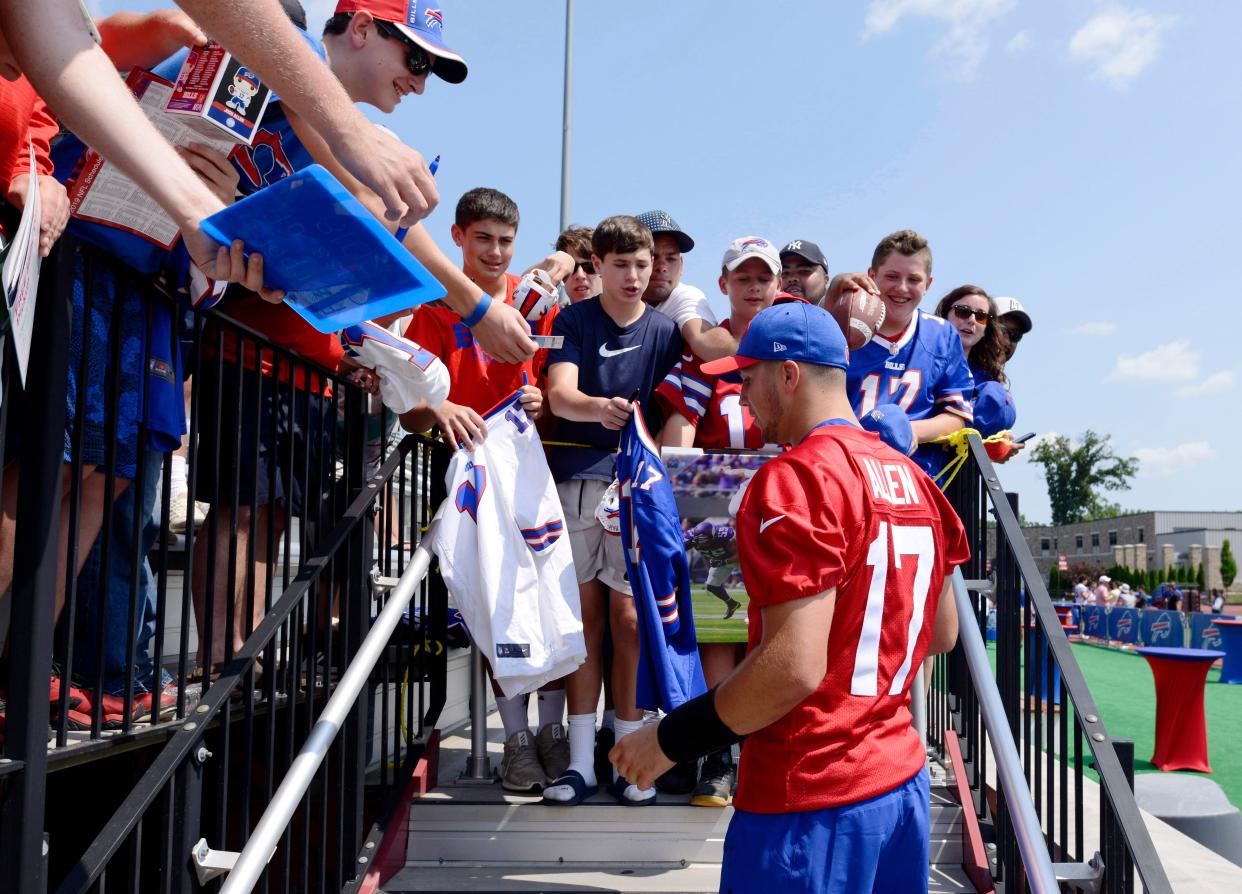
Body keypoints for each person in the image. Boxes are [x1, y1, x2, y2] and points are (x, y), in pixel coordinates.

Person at [610, 301, 968, 893]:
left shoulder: (797, 476)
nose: (743, 397)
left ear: (789, 375)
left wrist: (669, 741)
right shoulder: (916, 477)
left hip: (811, 793)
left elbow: (793, 668)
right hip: (898, 780)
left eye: (748, 379)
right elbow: (942, 634)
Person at [399, 187, 570, 791]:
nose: (495, 252)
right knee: (499, 607)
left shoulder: (535, 300)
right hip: (470, 480)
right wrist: (439, 405)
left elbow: (558, 391)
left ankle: (553, 732)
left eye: (504, 241)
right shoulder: (436, 307)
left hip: (531, 476)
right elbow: (408, 411)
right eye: (483, 240)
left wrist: (540, 401)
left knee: (551, 598)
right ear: (457, 239)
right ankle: (516, 738)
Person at [542, 215, 683, 807]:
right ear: (595, 266)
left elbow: (682, 404)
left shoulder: (668, 331)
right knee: (585, 623)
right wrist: (597, 408)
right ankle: (580, 765)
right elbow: (560, 395)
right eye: (620, 264)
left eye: (643, 264)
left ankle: (630, 756)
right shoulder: (572, 318)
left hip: (638, 492)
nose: (632, 275)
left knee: (630, 623)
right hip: (576, 483)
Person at [656, 235, 783, 807]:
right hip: (714, 509)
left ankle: (766, 746)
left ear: (778, 285)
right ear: (725, 283)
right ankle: (716, 750)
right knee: (718, 629)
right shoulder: (704, 359)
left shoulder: (789, 352)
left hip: (782, 506)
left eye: (764, 278)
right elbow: (677, 437)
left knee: (774, 627)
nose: (754, 288)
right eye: (744, 278)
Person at [842, 230, 974, 477]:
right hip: (849, 471)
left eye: (913, 279)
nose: (902, 288)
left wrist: (909, 432)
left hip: (916, 477)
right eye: (891, 276)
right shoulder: (843, 327)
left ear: (928, 284)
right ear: (871, 276)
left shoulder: (942, 335)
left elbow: (956, 417)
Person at [934, 285, 1025, 462]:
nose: (1006, 340)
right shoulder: (927, 360)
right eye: (1002, 329)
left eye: (1015, 335)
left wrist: (993, 448)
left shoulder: (990, 382)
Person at [635, 210, 737, 362]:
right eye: (653, 257)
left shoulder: (684, 297)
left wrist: (753, 361)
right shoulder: (603, 303)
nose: (662, 266)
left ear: (681, 265)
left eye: (671, 258)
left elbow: (703, 337)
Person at [555, 225, 601, 305]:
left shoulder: (625, 315)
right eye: (572, 267)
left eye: (589, 266)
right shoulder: (553, 317)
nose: (580, 275)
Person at [779, 239, 830, 305]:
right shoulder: (764, 314)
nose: (792, 278)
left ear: (826, 280)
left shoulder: (841, 313)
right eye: (785, 273)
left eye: (804, 271)